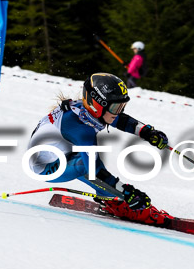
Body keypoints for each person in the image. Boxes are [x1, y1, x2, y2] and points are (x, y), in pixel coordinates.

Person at [27, 73, 171, 225]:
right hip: (45, 168)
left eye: (122, 106)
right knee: (85, 165)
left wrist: (146, 132)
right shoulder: (81, 129)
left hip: (59, 154)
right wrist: (126, 192)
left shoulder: (87, 110)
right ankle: (116, 204)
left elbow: (120, 120)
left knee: (88, 159)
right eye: (116, 107)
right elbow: (94, 171)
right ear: (98, 104)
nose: (119, 112)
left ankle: (109, 196)